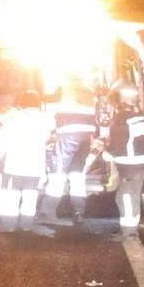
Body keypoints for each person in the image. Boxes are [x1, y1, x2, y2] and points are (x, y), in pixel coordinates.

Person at [0, 91, 54, 236]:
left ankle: (9, 226)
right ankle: (26, 226)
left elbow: (3, 139)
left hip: (14, 166)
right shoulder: (46, 120)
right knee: (30, 198)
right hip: (35, 166)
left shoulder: (13, 118)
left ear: (21, 103)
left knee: (11, 198)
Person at [40, 78, 97, 225]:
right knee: (77, 175)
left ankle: (48, 211)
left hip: (68, 134)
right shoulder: (88, 90)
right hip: (86, 136)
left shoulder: (63, 87)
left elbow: (50, 104)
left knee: (58, 173)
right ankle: (79, 212)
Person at [106, 82, 144, 241]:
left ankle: (128, 232)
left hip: (128, 163)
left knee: (125, 197)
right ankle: (131, 229)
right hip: (140, 163)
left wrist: (107, 154)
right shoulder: (140, 116)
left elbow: (118, 142)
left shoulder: (122, 117)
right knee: (132, 196)